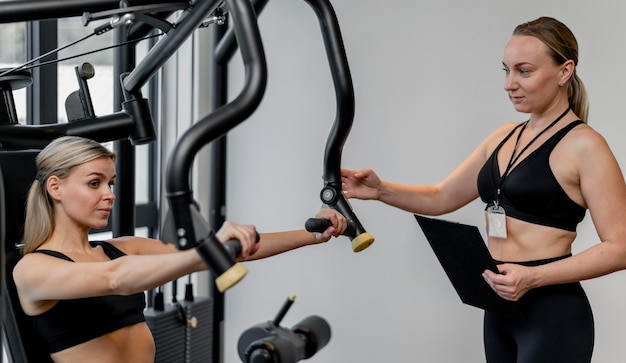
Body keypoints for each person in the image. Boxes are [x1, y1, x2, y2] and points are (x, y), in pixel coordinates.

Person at [340, 16, 626, 363]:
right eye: (505, 70)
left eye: (524, 71)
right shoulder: (503, 135)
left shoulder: (586, 146)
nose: (509, 83)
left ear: (564, 71)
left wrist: (533, 277)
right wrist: (380, 190)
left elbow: (620, 247)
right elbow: (441, 196)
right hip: (499, 308)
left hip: (552, 313)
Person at [12, 135, 347, 363]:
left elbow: (240, 251)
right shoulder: (32, 269)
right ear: (55, 187)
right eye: (94, 182)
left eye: (111, 183)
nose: (110, 194)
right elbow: (115, 279)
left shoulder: (123, 248)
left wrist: (314, 233)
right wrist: (208, 250)